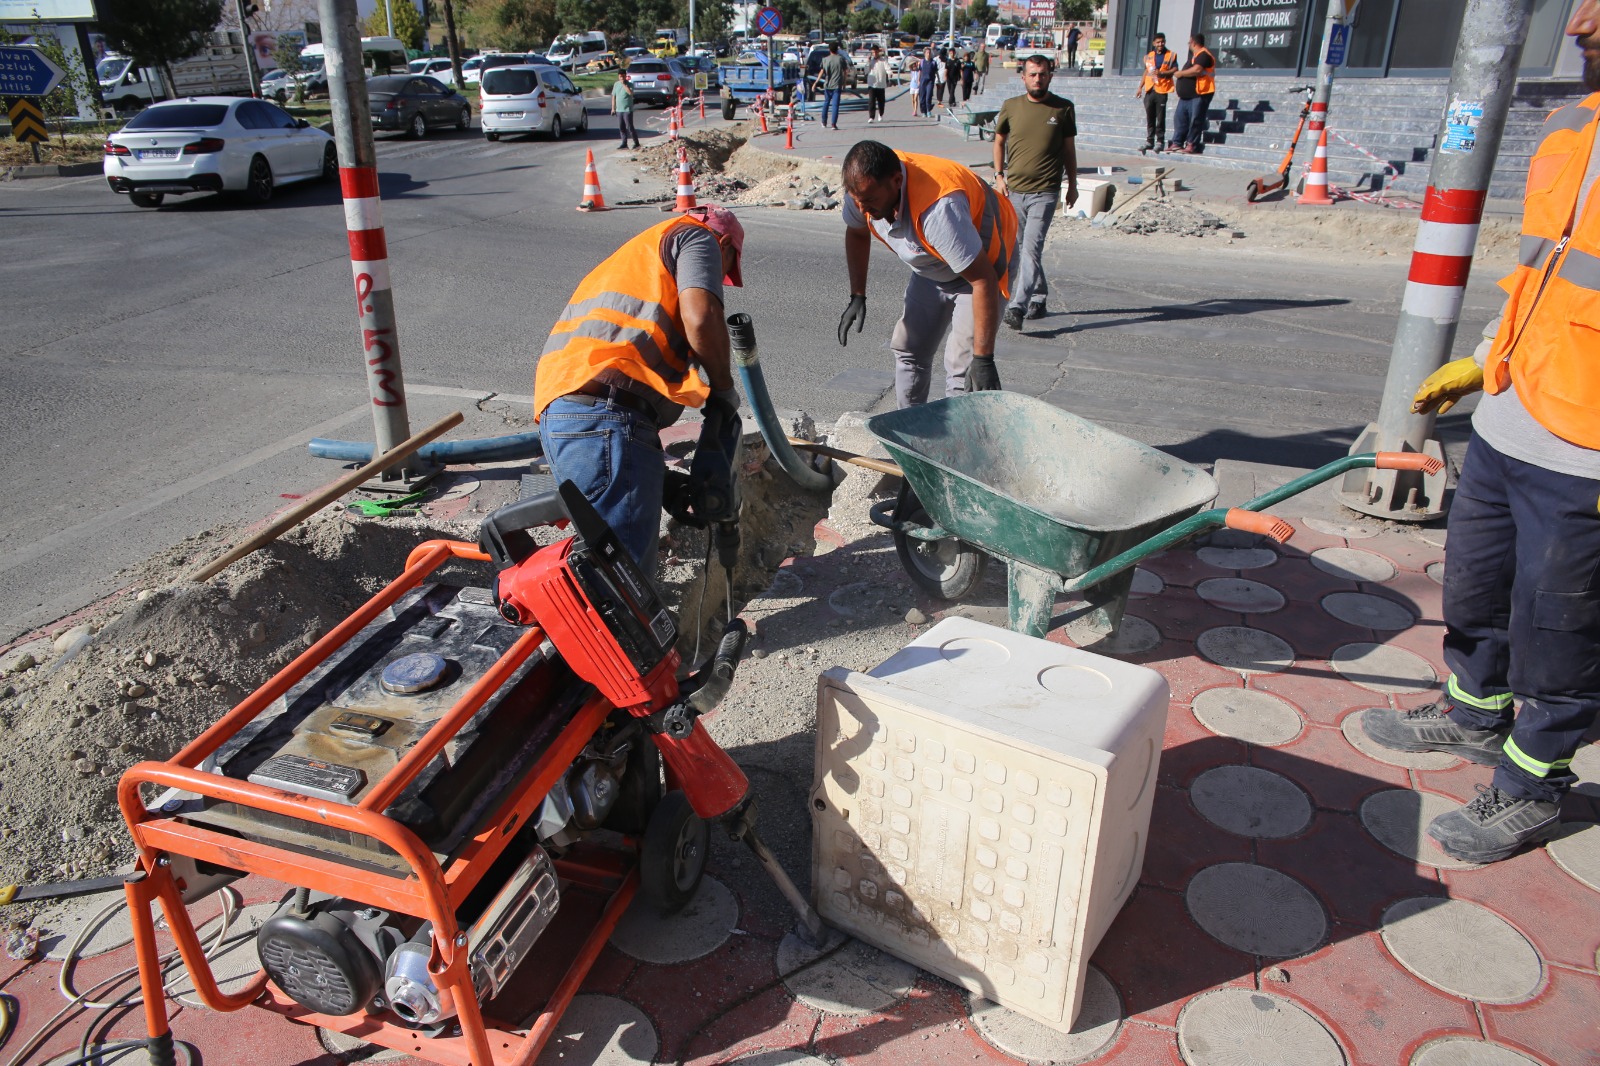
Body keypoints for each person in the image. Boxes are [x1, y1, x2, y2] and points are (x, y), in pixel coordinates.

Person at [1359, 1, 1600, 865]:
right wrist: (1486, 359)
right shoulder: (1578, 121)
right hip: (1512, 412)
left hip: (1588, 451)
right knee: (1478, 586)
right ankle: (1472, 712)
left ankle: (1535, 785)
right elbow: (1550, 275)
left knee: (1562, 627)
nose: (1577, 24)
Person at [534, 206, 746, 571]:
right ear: (725, 243)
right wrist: (723, 392)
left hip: (566, 416)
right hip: (605, 418)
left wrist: (660, 482)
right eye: (725, 268)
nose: (718, 277)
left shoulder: (635, 258)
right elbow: (701, 318)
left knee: (607, 565)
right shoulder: (697, 236)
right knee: (626, 584)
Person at [835, 141, 1018, 407]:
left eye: (870, 202)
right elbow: (857, 232)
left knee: (963, 368)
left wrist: (984, 358)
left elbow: (982, 280)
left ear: (896, 181)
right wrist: (857, 294)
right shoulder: (863, 190)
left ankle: (958, 444)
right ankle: (910, 433)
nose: (863, 210)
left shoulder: (939, 209)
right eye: (858, 201)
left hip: (980, 267)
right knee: (909, 348)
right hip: (933, 263)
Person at [993, 54, 1076, 330]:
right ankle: (1039, 296)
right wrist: (998, 176)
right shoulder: (1011, 106)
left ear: (1050, 76)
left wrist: (1072, 186)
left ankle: (1017, 306)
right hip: (1014, 192)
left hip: (1046, 192)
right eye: (1032, 74)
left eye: (1042, 74)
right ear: (1024, 77)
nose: (1037, 78)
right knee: (1023, 248)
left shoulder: (1063, 108)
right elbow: (999, 141)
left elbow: (1069, 151)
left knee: (1030, 249)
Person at [1169, 33, 1215, 154]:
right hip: (1186, 97)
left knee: (1195, 120)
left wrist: (1181, 74)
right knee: (1180, 119)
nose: (1189, 45)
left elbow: (1197, 70)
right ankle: (1177, 143)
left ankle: (1191, 144)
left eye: (1189, 43)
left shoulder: (1204, 55)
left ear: (1193, 43)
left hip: (1200, 94)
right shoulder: (1195, 57)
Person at [1134, 32, 1178, 154]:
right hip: (1150, 89)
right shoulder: (1149, 56)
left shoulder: (1170, 55)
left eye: (1162, 42)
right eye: (1158, 42)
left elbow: (1175, 69)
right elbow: (1146, 72)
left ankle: (1160, 141)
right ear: (1154, 43)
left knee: (1160, 117)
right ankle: (1149, 141)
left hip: (1162, 89)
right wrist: (1140, 87)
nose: (1160, 44)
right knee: (1150, 116)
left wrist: (1163, 73)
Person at [814, 41, 846, 130]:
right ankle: (833, 124)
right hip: (837, 85)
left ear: (829, 49)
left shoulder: (825, 60)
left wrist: (816, 82)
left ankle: (824, 122)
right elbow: (845, 72)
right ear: (837, 49)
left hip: (827, 85)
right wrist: (844, 83)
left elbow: (822, 71)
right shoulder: (841, 59)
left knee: (826, 103)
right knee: (835, 105)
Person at [611, 63, 640, 150]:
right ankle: (624, 143)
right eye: (620, 76)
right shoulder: (616, 84)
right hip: (619, 110)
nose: (621, 78)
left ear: (625, 76)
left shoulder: (629, 84)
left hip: (627, 109)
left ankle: (636, 143)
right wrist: (613, 108)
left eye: (623, 76)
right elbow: (613, 96)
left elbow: (630, 93)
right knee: (621, 127)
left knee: (630, 126)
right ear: (618, 76)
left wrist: (624, 84)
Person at [866, 45, 890, 123]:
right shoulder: (870, 61)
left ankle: (880, 114)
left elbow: (887, 67)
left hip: (881, 83)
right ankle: (871, 117)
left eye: (876, 51)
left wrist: (890, 73)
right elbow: (866, 71)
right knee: (871, 100)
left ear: (878, 52)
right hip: (872, 84)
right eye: (873, 52)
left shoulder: (883, 60)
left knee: (881, 101)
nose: (875, 53)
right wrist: (868, 62)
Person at [919, 48, 937, 116]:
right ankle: (924, 111)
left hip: (930, 81)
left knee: (928, 96)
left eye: (929, 53)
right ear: (924, 54)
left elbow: (935, 72)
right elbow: (920, 71)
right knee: (922, 98)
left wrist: (938, 81)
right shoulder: (921, 62)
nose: (928, 54)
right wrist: (918, 80)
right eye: (927, 53)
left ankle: (929, 110)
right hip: (923, 81)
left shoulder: (933, 62)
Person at [907, 49, 923, 118]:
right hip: (912, 86)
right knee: (912, 100)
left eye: (915, 66)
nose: (914, 67)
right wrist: (913, 59)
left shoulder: (919, 71)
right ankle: (914, 110)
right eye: (913, 66)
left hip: (917, 86)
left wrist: (918, 61)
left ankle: (915, 111)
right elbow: (909, 65)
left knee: (916, 98)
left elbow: (920, 63)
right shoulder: (912, 71)